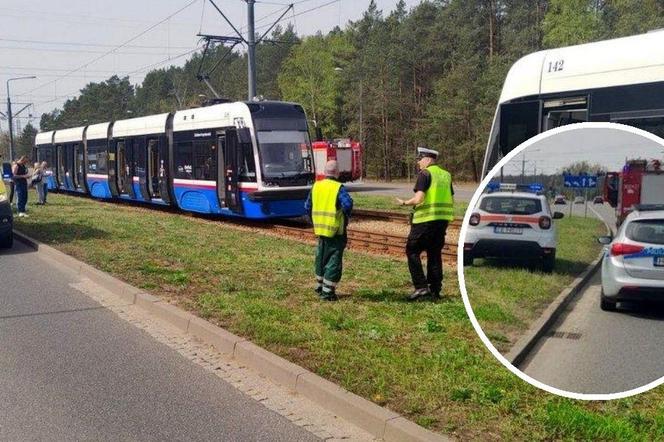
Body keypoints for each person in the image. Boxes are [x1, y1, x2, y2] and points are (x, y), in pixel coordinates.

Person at [396, 147, 454, 301]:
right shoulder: (446, 175)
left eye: (420, 159)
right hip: (442, 222)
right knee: (434, 254)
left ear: (428, 160)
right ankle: (435, 290)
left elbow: (419, 198)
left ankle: (421, 287)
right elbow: (451, 198)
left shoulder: (425, 174)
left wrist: (404, 203)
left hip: (424, 221)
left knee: (412, 251)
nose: (418, 162)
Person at [304, 160, 353, 301]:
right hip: (335, 230)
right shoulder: (338, 187)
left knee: (321, 258)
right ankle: (328, 293)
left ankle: (320, 286)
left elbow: (307, 206)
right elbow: (347, 204)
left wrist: (314, 220)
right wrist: (344, 215)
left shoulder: (316, 186)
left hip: (320, 229)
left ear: (324, 173)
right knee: (334, 260)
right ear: (337, 173)